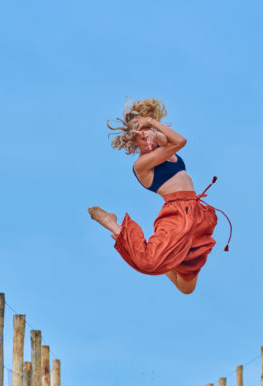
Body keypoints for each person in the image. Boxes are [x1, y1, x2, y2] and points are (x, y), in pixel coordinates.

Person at [89, 98, 229, 294]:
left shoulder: (163, 147)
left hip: (197, 214)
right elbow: (181, 142)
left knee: (186, 287)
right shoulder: (142, 164)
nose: (147, 143)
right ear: (133, 142)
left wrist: (152, 130)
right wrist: (151, 124)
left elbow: (169, 141)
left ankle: (168, 257)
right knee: (148, 262)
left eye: (148, 138)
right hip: (177, 214)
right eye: (141, 140)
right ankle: (114, 225)